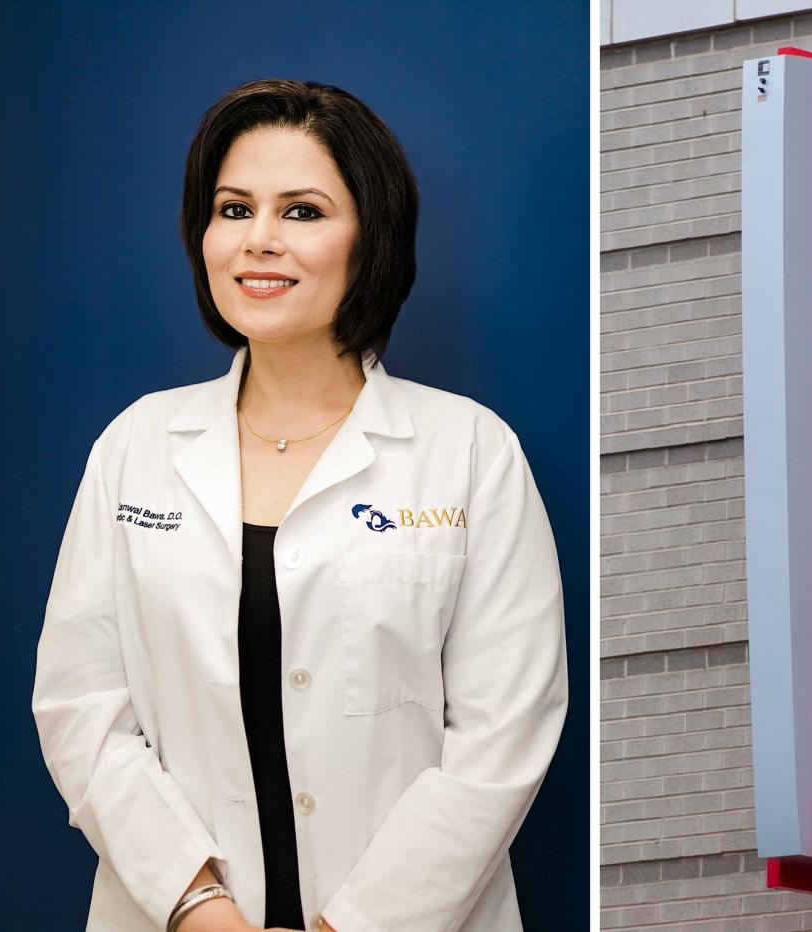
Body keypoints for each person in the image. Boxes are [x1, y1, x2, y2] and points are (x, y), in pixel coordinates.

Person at [31, 78, 568, 932]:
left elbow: (503, 737)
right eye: (234, 210)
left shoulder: (468, 453)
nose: (260, 243)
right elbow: (80, 707)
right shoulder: (135, 447)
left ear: (371, 239)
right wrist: (198, 905)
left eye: (304, 212)